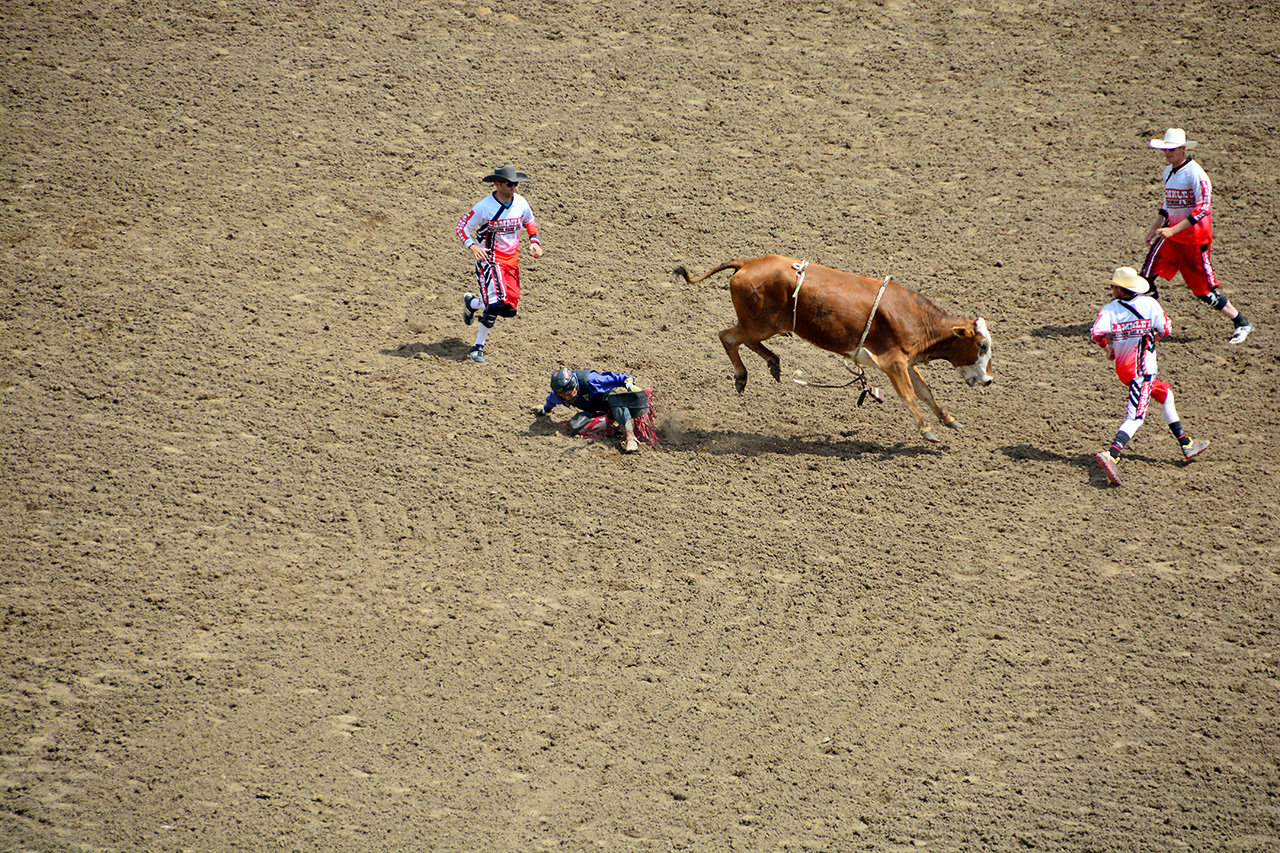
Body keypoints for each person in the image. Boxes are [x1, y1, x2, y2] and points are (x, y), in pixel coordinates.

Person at [1091, 266, 1210, 486]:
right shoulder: (1150, 304)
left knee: (1165, 395)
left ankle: (1186, 443)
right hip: (1142, 370)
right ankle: (1112, 454)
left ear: (1120, 288)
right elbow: (1166, 329)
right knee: (1135, 417)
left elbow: (1097, 334)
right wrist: (1151, 338)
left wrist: (1108, 348)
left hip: (1125, 368)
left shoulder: (1110, 309)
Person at [1139, 128, 1254, 345]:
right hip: (1170, 239)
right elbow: (1168, 203)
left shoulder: (1195, 173)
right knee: (1144, 279)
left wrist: (1173, 229)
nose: (1167, 153)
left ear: (1183, 149)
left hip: (1193, 240)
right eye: (1165, 150)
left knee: (1203, 291)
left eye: (1171, 149)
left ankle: (1241, 322)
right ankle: (1154, 324)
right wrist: (1155, 228)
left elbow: (1203, 208)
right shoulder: (1168, 172)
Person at [455, 164, 543, 364]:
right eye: (509, 183)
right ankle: (478, 347)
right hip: (490, 260)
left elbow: (530, 222)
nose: (513, 187)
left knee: (508, 310)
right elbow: (462, 226)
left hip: (511, 263)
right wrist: (473, 247)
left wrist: (535, 241)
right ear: (497, 184)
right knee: (495, 305)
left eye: (516, 184)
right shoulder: (484, 207)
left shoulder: (521, 203)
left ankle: (472, 303)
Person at [536, 367, 655, 454]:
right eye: (562, 396)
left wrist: (629, 385)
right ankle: (608, 424)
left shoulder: (593, 380)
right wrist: (545, 409)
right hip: (595, 411)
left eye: (568, 394)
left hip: (611, 403)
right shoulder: (559, 395)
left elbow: (621, 378)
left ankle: (630, 437)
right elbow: (550, 401)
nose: (566, 398)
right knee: (575, 425)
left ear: (574, 385)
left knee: (617, 403)